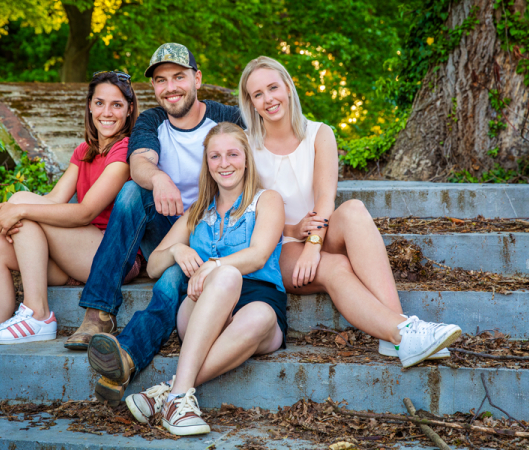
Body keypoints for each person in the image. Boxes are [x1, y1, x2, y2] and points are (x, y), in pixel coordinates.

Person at [239, 56, 461, 368]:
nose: (268, 99)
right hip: (278, 245)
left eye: (273, 87)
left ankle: (396, 333)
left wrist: (314, 246)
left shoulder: (319, 133)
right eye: (257, 94)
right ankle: (404, 333)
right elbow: (248, 214)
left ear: (288, 87)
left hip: (320, 229)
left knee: (354, 209)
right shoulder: (246, 146)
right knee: (336, 266)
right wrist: (293, 232)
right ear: (250, 102)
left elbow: (325, 200)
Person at [0, 71, 139, 399]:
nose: (107, 112)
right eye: (99, 103)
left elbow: (83, 212)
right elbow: (55, 201)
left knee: (22, 203)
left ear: (129, 110)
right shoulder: (84, 150)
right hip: (75, 253)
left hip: (113, 258)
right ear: (89, 107)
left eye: (116, 104)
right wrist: (16, 211)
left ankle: (38, 314)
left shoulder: (125, 151)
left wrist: (19, 209)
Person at [79, 43, 244, 404]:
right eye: (161, 80)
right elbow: (139, 163)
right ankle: (99, 311)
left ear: (197, 79)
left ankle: (124, 358)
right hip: (168, 226)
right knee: (130, 191)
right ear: (154, 87)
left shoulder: (228, 118)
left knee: (170, 283)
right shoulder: (152, 121)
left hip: (210, 235)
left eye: (179, 77)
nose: (170, 87)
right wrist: (158, 178)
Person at [125, 122, 286, 436]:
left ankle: (171, 393)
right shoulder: (197, 211)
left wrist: (212, 264)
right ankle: (179, 400)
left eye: (232, 154)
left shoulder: (267, 201)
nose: (224, 163)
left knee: (253, 308)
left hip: (258, 303)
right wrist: (178, 249)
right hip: (201, 309)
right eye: (215, 156)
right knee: (225, 277)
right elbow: (155, 265)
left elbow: (257, 255)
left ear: (246, 160)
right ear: (207, 163)